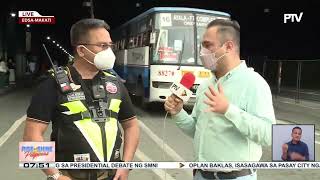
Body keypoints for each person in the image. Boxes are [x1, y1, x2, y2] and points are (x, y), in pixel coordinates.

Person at [23, 18, 140, 180]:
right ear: (82, 50)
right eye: (102, 46)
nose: (109, 52)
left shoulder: (115, 83)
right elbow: (30, 136)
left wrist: (125, 165)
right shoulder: (51, 83)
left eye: (110, 46)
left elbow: (132, 125)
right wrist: (55, 176)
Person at [164, 19, 276, 180]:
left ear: (228, 47)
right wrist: (178, 112)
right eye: (201, 45)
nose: (202, 52)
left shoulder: (254, 83)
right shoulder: (205, 85)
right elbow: (197, 130)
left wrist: (228, 110)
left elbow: (269, 135)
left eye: (208, 45)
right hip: (201, 175)